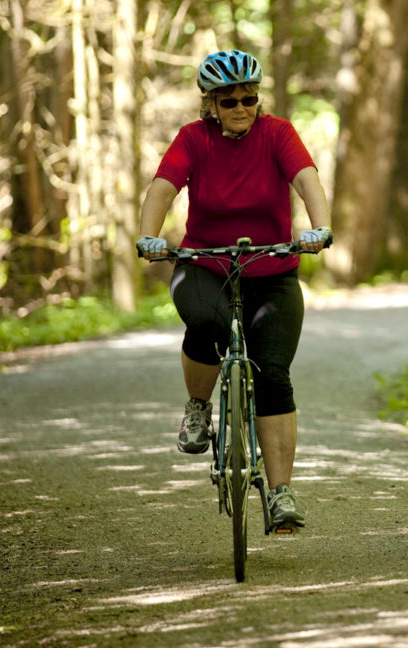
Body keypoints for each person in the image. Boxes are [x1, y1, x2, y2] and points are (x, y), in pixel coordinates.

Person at [136, 49, 332, 529]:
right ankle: (199, 408)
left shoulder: (278, 133)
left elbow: (306, 179)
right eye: (229, 102)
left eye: (249, 98)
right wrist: (149, 234)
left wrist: (319, 227)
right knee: (206, 320)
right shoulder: (193, 139)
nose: (241, 108)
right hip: (204, 261)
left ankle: (281, 493)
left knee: (273, 376)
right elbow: (163, 186)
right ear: (211, 105)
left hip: (273, 267)